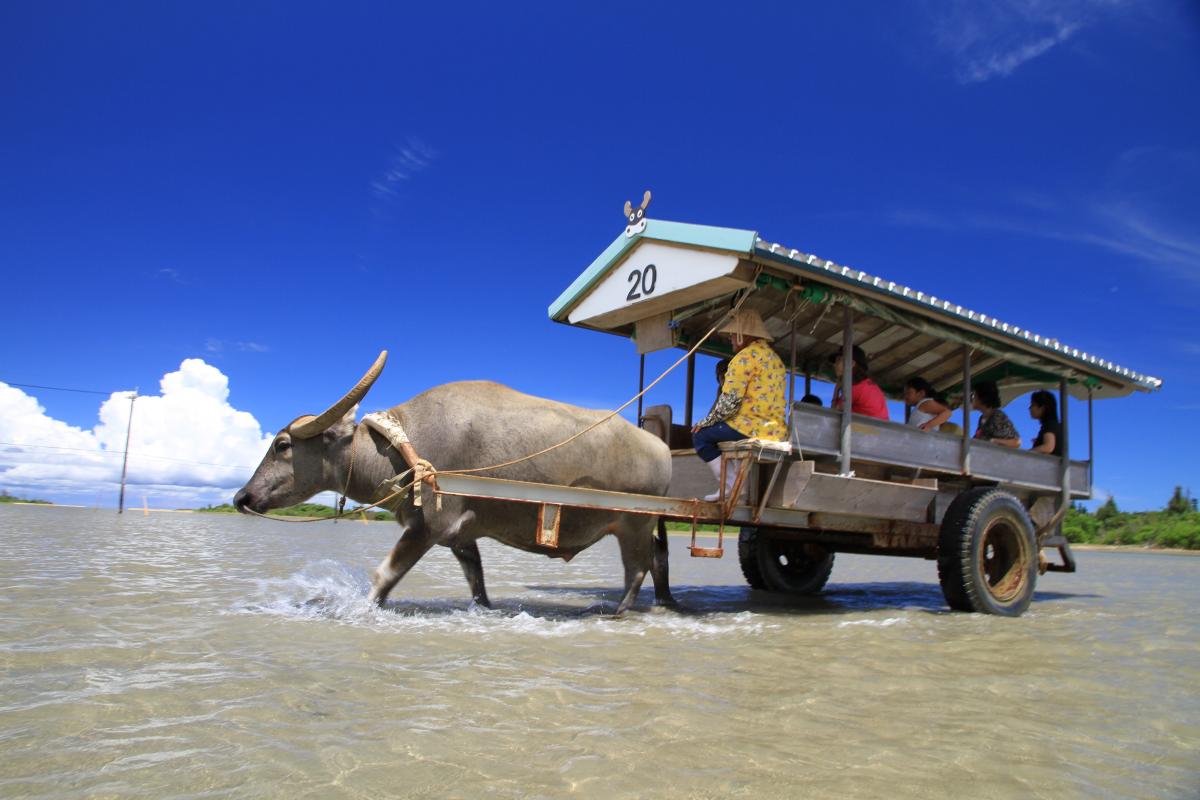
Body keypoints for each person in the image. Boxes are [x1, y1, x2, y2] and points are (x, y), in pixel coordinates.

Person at [692, 309, 787, 500]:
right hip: (776, 431)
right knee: (720, 431)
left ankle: (731, 485)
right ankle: (737, 481)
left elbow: (729, 402)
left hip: (748, 427)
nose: (731, 338)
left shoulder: (743, 358)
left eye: (734, 334)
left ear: (745, 334)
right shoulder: (776, 361)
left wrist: (705, 421)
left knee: (700, 435)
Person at [830, 344, 889, 420]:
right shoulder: (866, 384)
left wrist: (836, 390)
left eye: (838, 360)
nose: (834, 364)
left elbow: (834, 414)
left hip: (866, 430)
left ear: (851, 363)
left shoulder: (855, 388)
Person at [971, 381, 1020, 447]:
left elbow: (1016, 442)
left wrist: (993, 441)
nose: (972, 398)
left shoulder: (997, 416)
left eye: (973, 395)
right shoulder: (982, 418)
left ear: (982, 397)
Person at [1029, 390, 1064, 456]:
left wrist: (1027, 453)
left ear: (1042, 408)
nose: (1030, 408)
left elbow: (1048, 447)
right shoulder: (1055, 425)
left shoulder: (1049, 425)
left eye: (1033, 404)